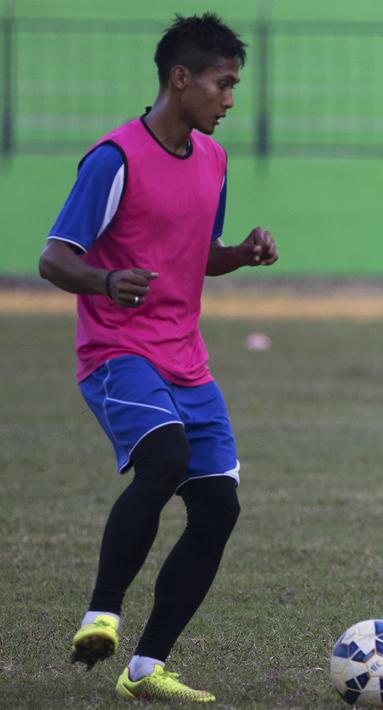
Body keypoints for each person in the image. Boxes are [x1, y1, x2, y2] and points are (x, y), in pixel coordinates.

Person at [39, 13, 277, 702]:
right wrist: (108, 282)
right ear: (181, 79)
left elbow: (196, 256)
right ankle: (101, 614)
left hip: (187, 359)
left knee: (217, 509)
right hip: (117, 353)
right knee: (164, 458)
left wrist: (241, 254)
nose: (230, 99)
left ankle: (146, 668)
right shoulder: (114, 158)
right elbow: (55, 258)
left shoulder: (214, 158)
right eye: (222, 84)